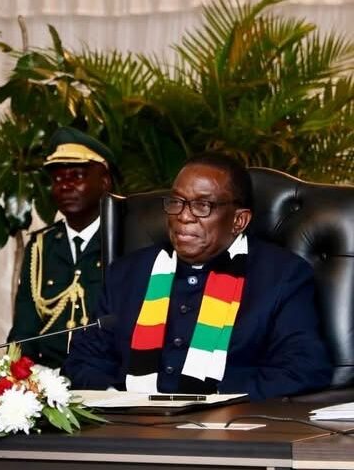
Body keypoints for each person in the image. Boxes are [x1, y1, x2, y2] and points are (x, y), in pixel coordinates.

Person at [63, 153, 333, 399]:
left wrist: (213, 395)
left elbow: (303, 368)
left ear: (239, 220)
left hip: (226, 426)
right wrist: (118, 398)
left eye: (202, 206)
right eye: (177, 202)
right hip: (130, 424)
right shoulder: (128, 274)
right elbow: (84, 359)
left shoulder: (281, 276)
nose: (183, 217)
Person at [7, 127, 114, 366]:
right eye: (57, 179)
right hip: (48, 374)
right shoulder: (40, 247)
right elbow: (24, 330)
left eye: (77, 176)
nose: (65, 186)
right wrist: (15, 372)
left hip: (107, 375)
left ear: (104, 181)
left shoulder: (124, 241)